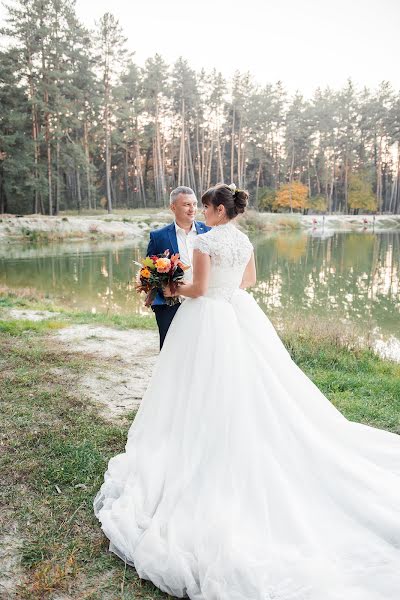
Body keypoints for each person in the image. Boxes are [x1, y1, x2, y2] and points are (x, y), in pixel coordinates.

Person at [94, 183, 400, 600]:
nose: (202, 213)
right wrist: (216, 286)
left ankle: (196, 440)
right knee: (252, 383)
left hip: (206, 318)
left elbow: (198, 290)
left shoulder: (204, 239)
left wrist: (170, 288)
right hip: (236, 313)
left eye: (205, 206)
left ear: (219, 209)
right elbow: (249, 280)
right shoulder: (243, 238)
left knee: (195, 383)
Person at [146, 186, 210, 349]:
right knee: (170, 352)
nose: (192, 209)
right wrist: (163, 290)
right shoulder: (158, 236)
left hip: (203, 303)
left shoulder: (209, 232)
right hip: (170, 305)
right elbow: (148, 272)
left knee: (201, 350)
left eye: (195, 204)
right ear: (173, 207)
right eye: (186, 204)